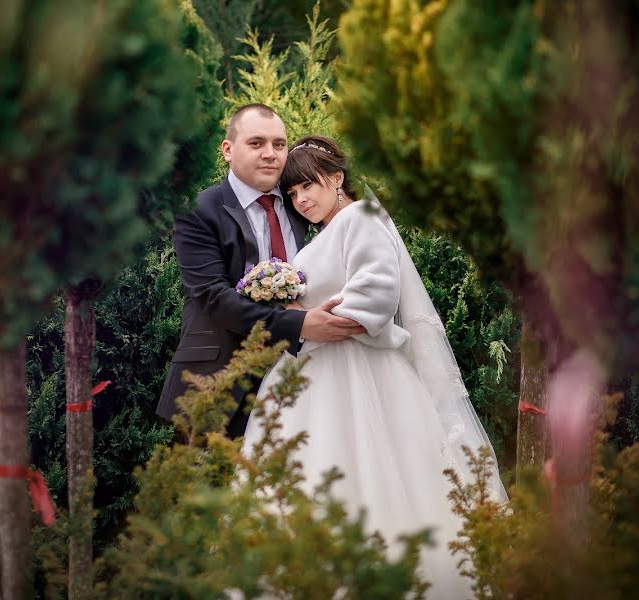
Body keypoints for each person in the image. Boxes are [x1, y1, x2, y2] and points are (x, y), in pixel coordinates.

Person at [242, 135, 508, 598]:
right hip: (314, 373)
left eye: (309, 186)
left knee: (369, 471)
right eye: (293, 193)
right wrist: (295, 316)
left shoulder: (361, 218)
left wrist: (315, 318)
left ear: (337, 178)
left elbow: (377, 294)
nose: (302, 199)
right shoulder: (329, 232)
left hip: (360, 373)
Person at [157, 105, 365, 438]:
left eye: (279, 144)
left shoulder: (302, 201)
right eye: (256, 143)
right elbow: (213, 297)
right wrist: (300, 325)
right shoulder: (199, 212)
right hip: (219, 384)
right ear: (228, 150)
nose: (270, 154)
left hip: (301, 383)